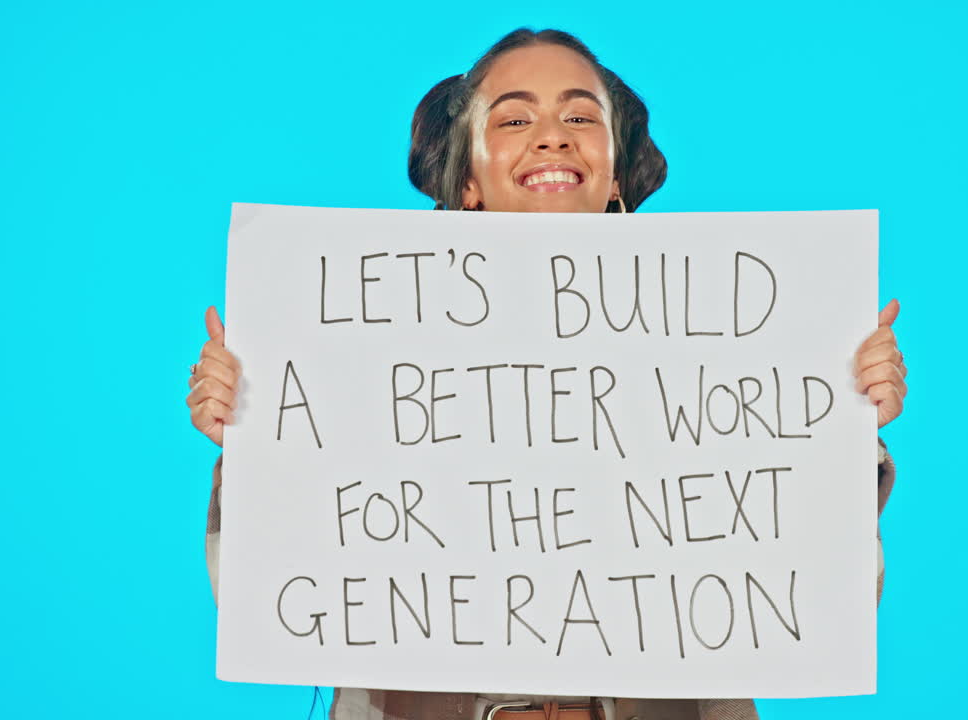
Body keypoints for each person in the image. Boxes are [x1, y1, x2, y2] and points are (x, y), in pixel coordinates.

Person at [186, 27, 906, 720]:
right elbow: (254, 595)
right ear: (466, 179)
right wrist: (252, 435)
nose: (552, 135)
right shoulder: (356, 348)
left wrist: (839, 421)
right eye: (513, 119)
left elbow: (830, 600)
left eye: (580, 115)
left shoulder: (728, 349)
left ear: (617, 170)